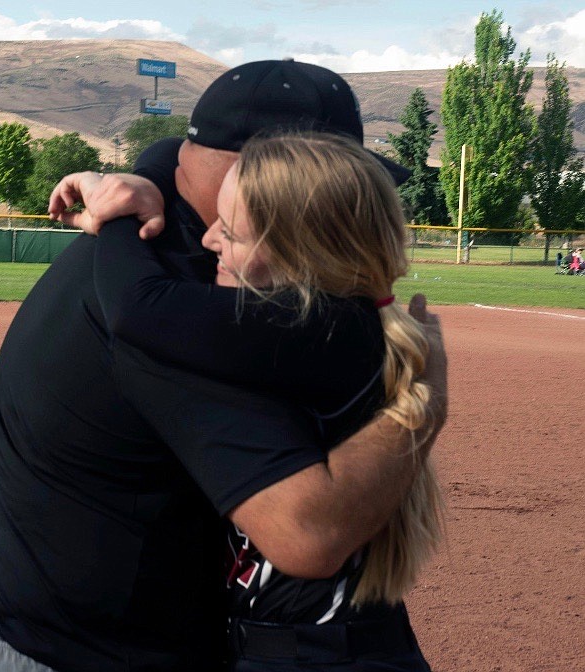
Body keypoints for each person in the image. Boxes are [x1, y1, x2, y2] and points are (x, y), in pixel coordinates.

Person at [0, 60, 448, 672]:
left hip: (39, 624)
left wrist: (134, 194)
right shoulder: (202, 288)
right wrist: (423, 408)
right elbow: (307, 532)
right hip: (76, 651)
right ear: (262, 175)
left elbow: (171, 189)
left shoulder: (194, 267)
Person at [78, 132, 443, 670]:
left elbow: (138, 311)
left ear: (300, 250)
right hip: (333, 646)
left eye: (231, 231)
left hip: (317, 658)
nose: (206, 243)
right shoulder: (338, 326)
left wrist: (118, 212)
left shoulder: (319, 330)